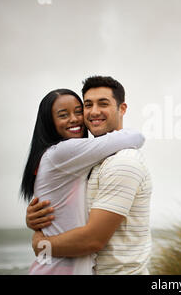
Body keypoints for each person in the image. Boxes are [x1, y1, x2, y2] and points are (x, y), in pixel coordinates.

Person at [28, 76, 153, 275]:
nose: (92, 112)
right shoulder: (85, 161)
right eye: (87, 105)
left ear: (122, 109)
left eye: (103, 104)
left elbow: (92, 240)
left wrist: (41, 245)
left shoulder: (122, 162)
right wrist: (34, 222)